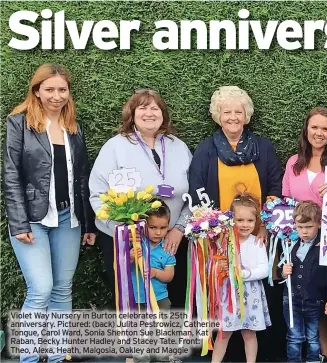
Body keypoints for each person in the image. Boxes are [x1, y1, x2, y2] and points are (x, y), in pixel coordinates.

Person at [4, 63, 96, 363]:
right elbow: (11, 175)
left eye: (62, 90)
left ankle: (56, 358)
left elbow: (82, 177)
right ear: (37, 91)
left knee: (61, 291)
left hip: (68, 220)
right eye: (50, 89)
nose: (56, 96)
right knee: (41, 290)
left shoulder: (74, 127)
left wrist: (88, 222)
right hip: (31, 220)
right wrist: (18, 222)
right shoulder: (19, 123)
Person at [89, 89, 192, 308]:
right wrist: (123, 232)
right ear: (132, 114)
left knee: (168, 302)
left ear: (163, 114)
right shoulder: (115, 147)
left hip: (169, 241)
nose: (149, 113)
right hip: (126, 243)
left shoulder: (179, 147)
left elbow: (194, 196)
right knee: (131, 305)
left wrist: (180, 228)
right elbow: (98, 195)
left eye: (154, 108)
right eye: (142, 108)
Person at [282, 106, 327, 363]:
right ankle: (325, 355)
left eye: (325, 128)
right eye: (314, 127)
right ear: (306, 129)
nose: (319, 133)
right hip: (303, 245)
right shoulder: (294, 163)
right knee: (315, 304)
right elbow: (285, 204)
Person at [188, 86, 282, 244]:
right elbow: (197, 189)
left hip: (258, 237)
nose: (233, 117)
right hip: (219, 238)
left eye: (238, 112)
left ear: (246, 115)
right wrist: (211, 228)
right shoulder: (206, 150)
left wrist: (265, 226)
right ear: (218, 116)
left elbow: (275, 187)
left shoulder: (264, 148)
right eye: (227, 112)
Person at [211, 193, 271, 363]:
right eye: (240, 220)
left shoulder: (257, 242)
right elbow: (214, 266)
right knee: (224, 332)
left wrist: (241, 274)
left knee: (249, 333)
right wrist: (219, 268)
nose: (245, 225)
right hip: (228, 294)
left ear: (256, 221)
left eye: (250, 221)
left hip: (250, 295)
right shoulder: (222, 242)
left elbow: (264, 270)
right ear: (232, 220)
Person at [281, 201, 327, 363]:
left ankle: (313, 360)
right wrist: (284, 272)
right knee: (294, 337)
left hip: (313, 299)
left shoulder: (325, 246)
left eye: (308, 227)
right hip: (292, 300)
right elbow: (286, 273)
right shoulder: (292, 245)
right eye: (300, 227)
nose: (304, 231)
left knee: (313, 336)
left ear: (319, 224)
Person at [127, 201, 176, 363]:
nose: (158, 232)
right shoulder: (136, 245)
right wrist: (132, 256)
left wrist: (156, 272)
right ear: (143, 226)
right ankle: (141, 359)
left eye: (163, 228)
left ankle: (163, 358)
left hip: (160, 299)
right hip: (139, 299)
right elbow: (121, 266)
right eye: (153, 227)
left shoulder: (167, 249)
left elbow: (169, 276)